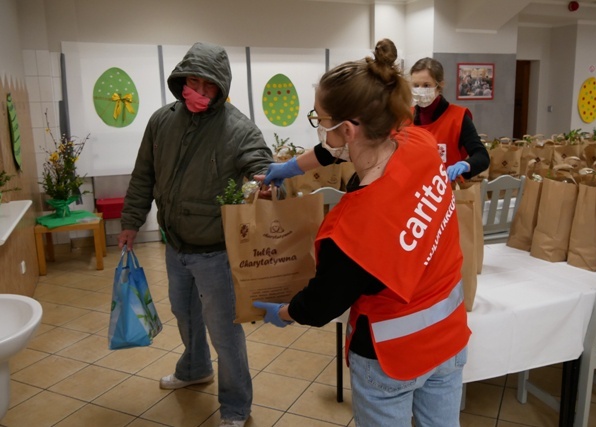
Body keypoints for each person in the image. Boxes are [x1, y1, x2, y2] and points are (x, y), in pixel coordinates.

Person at [253, 39, 470, 427]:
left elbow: (322, 305)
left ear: (348, 129)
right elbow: (335, 149)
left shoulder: (350, 229)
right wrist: (290, 167)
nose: (320, 128)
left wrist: (285, 313)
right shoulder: (417, 142)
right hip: (448, 338)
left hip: (390, 357)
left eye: (320, 120)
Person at [118, 42, 275, 427]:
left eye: (208, 87)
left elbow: (261, 163)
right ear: (181, 80)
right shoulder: (161, 121)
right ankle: (194, 369)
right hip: (174, 245)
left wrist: (266, 180)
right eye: (193, 82)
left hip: (215, 252)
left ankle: (237, 406)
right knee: (185, 316)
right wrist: (130, 221)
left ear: (221, 88)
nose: (199, 93)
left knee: (225, 332)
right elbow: (143, 176)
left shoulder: (238, 128)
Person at [264, 57, 489, 186]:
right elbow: (334, 150)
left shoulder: (456, 117)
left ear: (440, 85)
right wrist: (290, 167)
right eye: (416, 85)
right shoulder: (404, 118)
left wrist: (465, 166)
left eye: (427, 85)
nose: (421, 91)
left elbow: (481, 156)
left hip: (436, 195)